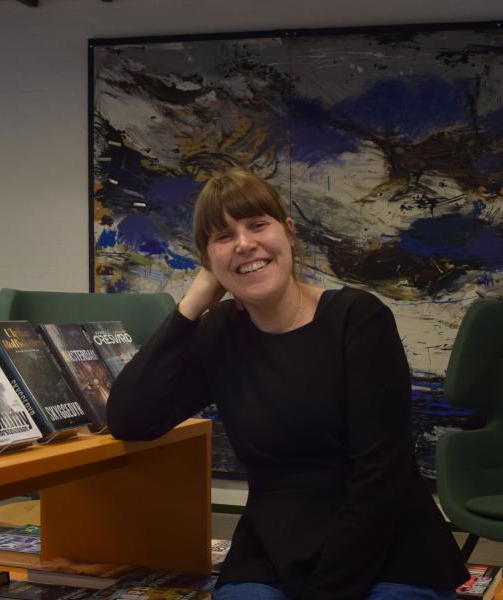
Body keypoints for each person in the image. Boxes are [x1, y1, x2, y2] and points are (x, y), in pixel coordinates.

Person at [106, 169, 468, 600]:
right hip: (273, 551)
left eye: (257, 224)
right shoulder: (220, 333)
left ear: (290, 233)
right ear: (208, 260)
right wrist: (191, 305)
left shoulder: (357, 319)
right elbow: (131, 419)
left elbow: (380, 478)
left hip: (386, 548)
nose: (244, 243)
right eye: (223, 236)